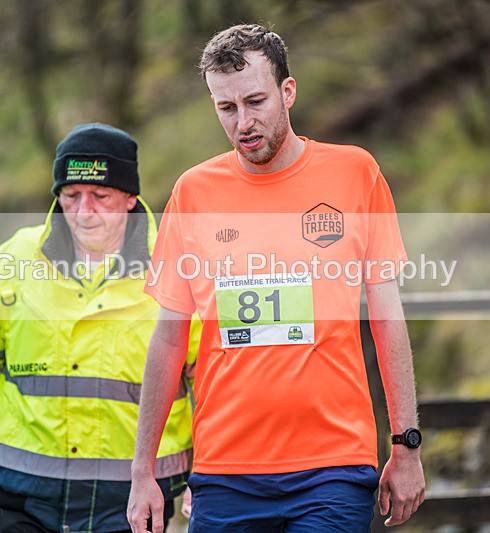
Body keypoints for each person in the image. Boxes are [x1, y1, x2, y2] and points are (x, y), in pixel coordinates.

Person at [127, 24, 425, 533]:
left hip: (333, 466)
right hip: (226, 471)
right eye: (226, 108)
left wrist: (406, 445)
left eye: (256, 101)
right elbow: (169, 337)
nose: (243, 122)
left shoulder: (355, 174)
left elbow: (387, 317)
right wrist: (142, 471)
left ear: (288, 92)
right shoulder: (194, 192)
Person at [0, 123, 197, 533]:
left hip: (134, 502)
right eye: (71, 196)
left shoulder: (176, 265)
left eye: (100, 196)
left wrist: (211, 473)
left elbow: (213, 376)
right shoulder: (14, 261)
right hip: (25, 497)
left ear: (129, 197)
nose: (84, 211)